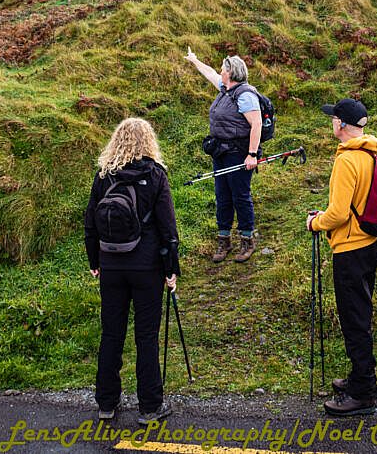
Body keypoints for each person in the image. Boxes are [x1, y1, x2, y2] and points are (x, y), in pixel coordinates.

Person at [85, 118, 179, 425]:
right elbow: (168, 229)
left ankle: (106, 404)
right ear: (148, 141)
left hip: (111, 264)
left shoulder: (103, 176)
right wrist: (171, 270)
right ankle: (150, 406)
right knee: (146, 335)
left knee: (111, 333)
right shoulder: (155, 175)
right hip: (146, 266)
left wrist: (94, 262)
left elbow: (90, 223)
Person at [308, 98, 377, 417]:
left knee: (353, 319)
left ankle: (363, 391)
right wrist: (328, 214)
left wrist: (316, 222)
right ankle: (358, 377)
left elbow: (339, 214)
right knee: (361, 314)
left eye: (333, 120)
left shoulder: (346, 160)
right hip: (369, 242)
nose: (331, 124)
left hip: (350, 248)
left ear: (341, 124)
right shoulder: (370, 153)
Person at [184, 48, 262, 263]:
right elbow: (209, 73)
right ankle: (224, 240)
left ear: (231, 72)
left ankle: (247, 240)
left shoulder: (245, 95)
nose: (220, 71)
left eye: (223, 69)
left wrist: (252, 155)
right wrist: (195, 60)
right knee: (222, 196)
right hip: (221, 153)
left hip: (239, 154)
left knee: (240, 196)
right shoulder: (225, 89)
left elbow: (256, 124)